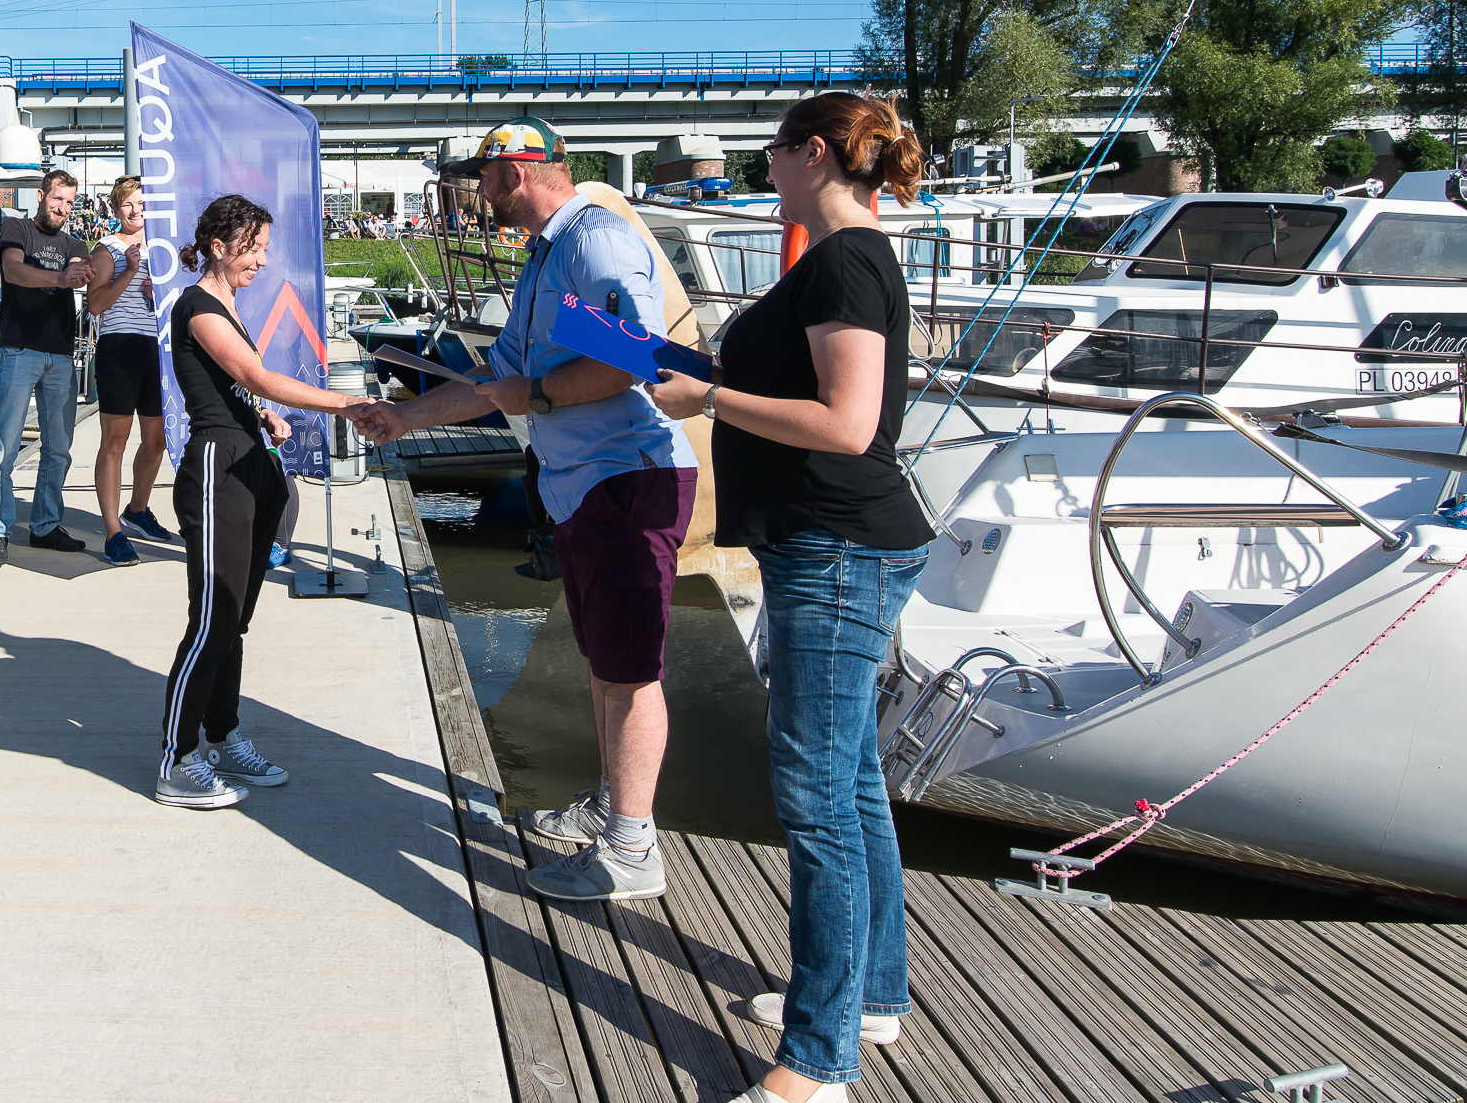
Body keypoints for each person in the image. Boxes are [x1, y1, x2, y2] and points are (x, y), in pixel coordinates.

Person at [644, 92, 933, 1103]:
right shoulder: (839, 259)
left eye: (770, 153)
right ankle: (868, 998)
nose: (764, 169)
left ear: (810, 153)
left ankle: (814, 1064)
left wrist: (711, 397)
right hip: (836, 545)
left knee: (814, 799)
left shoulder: (844, 261)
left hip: (837, 548)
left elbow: (847, 425)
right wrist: (702, 373)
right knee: (851, 787)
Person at [357, 117, 696, 901]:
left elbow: (636, 356)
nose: (477, 192)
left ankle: (634, 850)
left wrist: (538, 395)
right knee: (606, 663)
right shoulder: (548, 255)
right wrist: (403, 418)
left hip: (628, 479)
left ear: (516, 172)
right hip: (585, 483)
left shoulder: (593, 242)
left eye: (482, 176)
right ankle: (615, 806)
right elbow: (498, 374)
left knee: (630, 670)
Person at [156, 193, 378, 810]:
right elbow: (251, 374)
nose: (263, 259)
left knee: (237, 619)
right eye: (253, 248)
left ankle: (222, 736)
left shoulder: (227, 306)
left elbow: (240, 387)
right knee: (211, 620)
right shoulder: (198, 305)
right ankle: (175, 761)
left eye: (264, 247)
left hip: (251, 461)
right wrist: (346, 403)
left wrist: (267, 416)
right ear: (219, 247)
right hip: (216, 468)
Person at [0, 167, 96, 566]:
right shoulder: (16, 229)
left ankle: (45, 525)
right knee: (2, 446)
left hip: (61, 354)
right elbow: (12, 270)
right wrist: (62, 277)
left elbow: (80, 270)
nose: (61, 207)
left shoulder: (73, 241)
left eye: (68, 202)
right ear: (43, 195)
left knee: (58, 448)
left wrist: (82, 271)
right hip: (19, 350)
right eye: (56, 198)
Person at [84, 176, 177, 564]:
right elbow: (94, 305)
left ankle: (137, 510)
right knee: (115, 443)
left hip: (156, 350)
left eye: (141, 203)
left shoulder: (166, 247)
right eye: (127, 205)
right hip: (120, 348)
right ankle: (113, 532)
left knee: (157, 440)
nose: (136, 210)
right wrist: (128, 272)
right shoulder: (106, 248)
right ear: (115, 209)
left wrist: (165, 293)